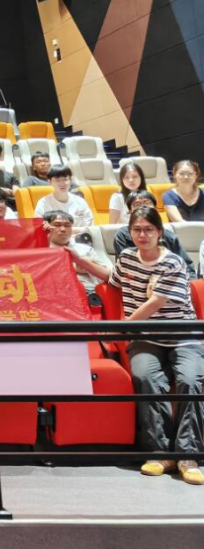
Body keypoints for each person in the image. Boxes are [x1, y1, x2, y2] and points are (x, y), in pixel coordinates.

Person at [109, 206, 204, 485]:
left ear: (159, 232)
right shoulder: (126, 258)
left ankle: (188, 455)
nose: (142, 234)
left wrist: (124, 325)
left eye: (148, 229)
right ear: (130, 232)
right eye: (136, 229)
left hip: (183, 336)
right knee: (146, 378)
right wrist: (76, 257)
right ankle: (160, 453)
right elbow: (111, 279)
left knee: (190, 381)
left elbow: (155, 303)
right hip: (146, 338)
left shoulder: (173, 262)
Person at [113, 191, 195, 274]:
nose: (143, 207)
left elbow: (188, 268)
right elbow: (124, 268)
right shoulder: (122, 235)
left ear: (155, 208)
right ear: (130, 211)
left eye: (147, 203)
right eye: (137, 204)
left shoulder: (169, 237)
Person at [42, 210, 109, 293]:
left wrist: (87, 266)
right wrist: (73, 267)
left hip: (88, 292)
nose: (63, 229)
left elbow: (107, 277)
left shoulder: (86, 249)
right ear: (46, 227)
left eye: (67, 225)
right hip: (53, 293)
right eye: (57, 225)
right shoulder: (39, 251)